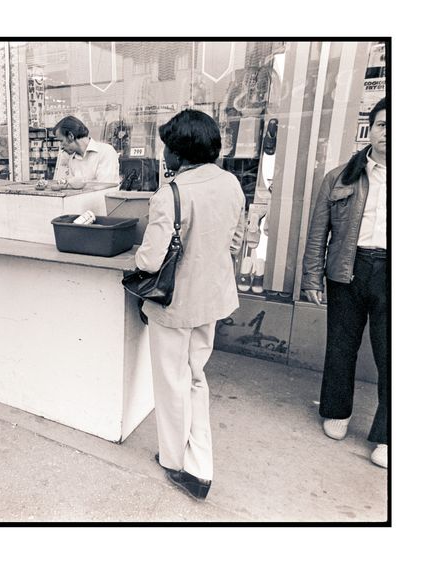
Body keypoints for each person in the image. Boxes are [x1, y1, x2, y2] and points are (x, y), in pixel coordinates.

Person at [136, 109, 245, 500]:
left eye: (166, 147)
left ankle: (174, 461)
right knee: (196, 378)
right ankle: (201, 468)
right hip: (211, 300)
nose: (163, 155)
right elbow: (235, 244)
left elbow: (149, 261)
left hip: (173, 305)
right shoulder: (232, 184)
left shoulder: (171, 194)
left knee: (171, 383)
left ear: (179, 153)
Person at [301, 97, 388, 469]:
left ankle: (388, 435)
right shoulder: (340, 176)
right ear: (372, 129)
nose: (391, 132)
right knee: (340, 347)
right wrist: (311, 276)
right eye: (384, 124)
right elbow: (319, 230)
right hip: (347, 271)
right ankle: (337, 412)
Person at [52, 115, 120, 183]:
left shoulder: (105, 152)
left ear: (71, 136)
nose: (61, 146)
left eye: (61, 141)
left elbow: (104, 186)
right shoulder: (71, 159)